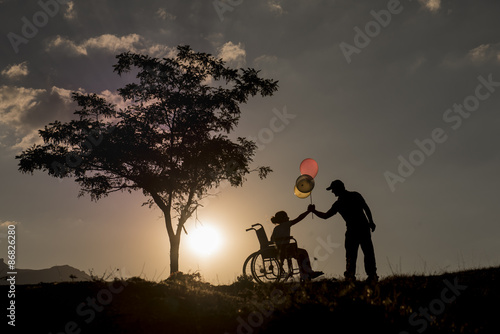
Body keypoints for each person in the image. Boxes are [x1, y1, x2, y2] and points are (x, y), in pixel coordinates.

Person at [309, 180, 378, 283]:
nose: (332, 192)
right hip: (362, 228)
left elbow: (325, 216)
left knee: (353, 255)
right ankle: (371, 275)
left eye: (333, 189)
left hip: (353, 231)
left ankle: (352, 276)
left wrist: (313, 211)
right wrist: (371, 222)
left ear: (338, 188)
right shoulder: (354, 195)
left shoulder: (339, 203)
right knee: (366, 253)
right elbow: (366, 208)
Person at [270, 210, 324, 281]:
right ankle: (307, 273)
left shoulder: (276, 228)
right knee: (303, 252)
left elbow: (271, 239)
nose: (288, 218)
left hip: (279, 250)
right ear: (283, 218)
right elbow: (299, 218)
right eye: (286, 217)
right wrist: (308, 212)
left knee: (300, 254)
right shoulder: (286, 224)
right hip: (286, 249)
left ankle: (305, 274)